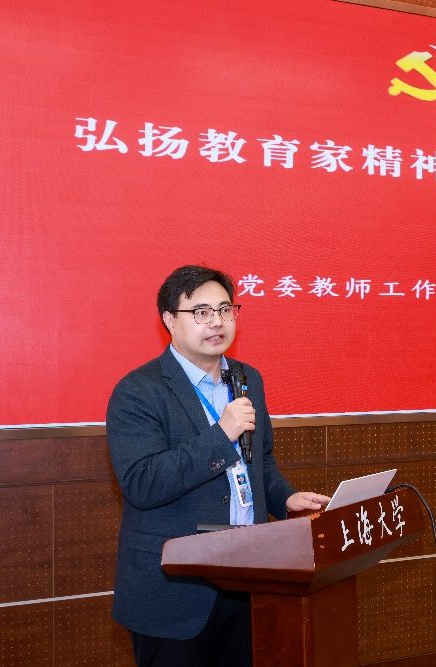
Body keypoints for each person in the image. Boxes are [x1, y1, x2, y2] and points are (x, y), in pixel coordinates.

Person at [106, 264, 330, 666]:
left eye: (225, 310)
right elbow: (142, 483)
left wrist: (284, 498)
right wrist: (220, 434)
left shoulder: (247, 379)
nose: (217, 322)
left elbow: (259, 461)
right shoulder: (138, 391)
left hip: (247, 577)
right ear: (169, 320)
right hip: (176, 591)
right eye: (201, 312)